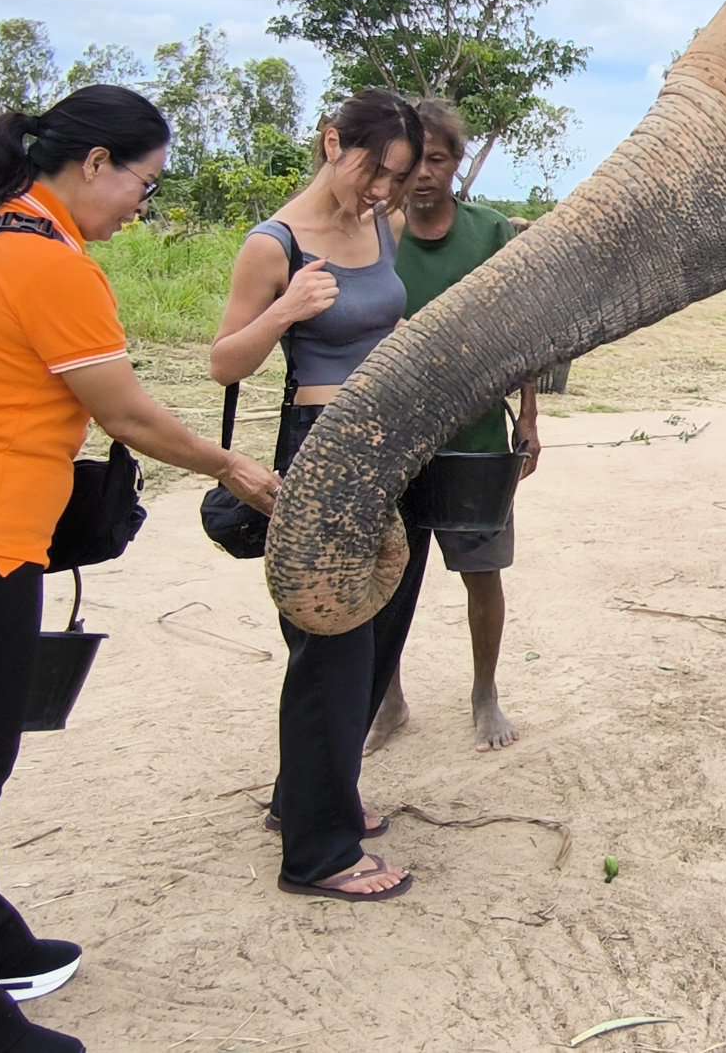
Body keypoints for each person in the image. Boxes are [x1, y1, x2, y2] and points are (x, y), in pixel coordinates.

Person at [0, 85, 280, 1053]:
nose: (144, 203)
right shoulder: (45, 264)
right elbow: (124, 412)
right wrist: (228, 465)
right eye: (144, 182)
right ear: (94, 164)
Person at [210, 89, 424, 902]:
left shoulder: (382, 227)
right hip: (321, 457)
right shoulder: (273, 246)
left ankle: (310, 801)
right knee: (326, 651)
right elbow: (224, 363)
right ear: (333, 142)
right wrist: (288, 311)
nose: (382, 191)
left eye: (397, 179)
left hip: (388, 451)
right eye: (374, 170)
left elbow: (382, 326)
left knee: (372, 639)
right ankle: (317, 854)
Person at [365, 98, 541, 755]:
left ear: (455, 163)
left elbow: (526, 333)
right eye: (413, 162)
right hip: (395, 441)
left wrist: (527, 415)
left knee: (482, 571)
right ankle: (389, 701)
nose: (424, 175)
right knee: (384, 577)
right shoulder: (375, 236)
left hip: (474, 438)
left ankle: (485, 693)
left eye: (437, 159)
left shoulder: (491, 233)